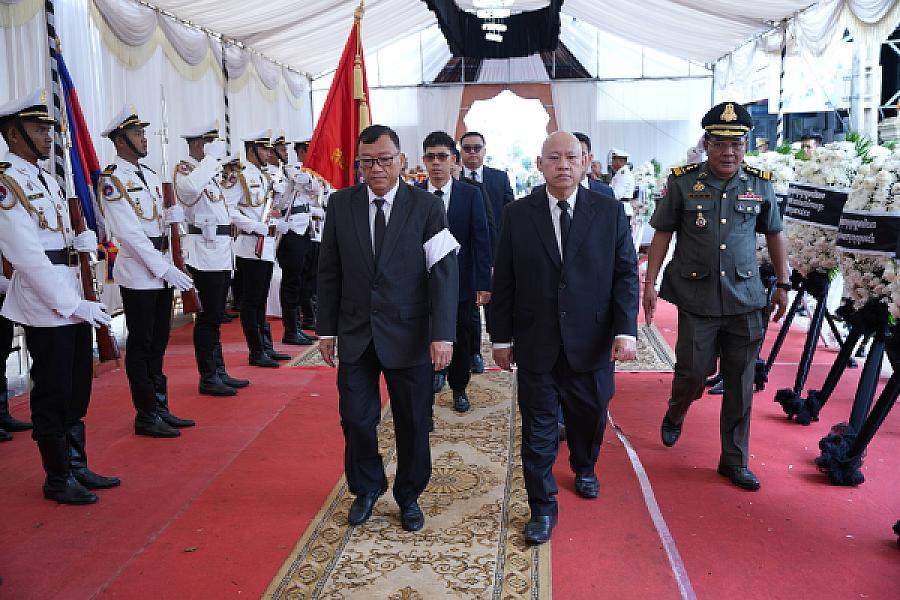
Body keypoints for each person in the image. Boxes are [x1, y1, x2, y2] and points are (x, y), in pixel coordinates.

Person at [491, 132, 639, 545]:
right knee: (537, 431)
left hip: (592, 342)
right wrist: (500, 338)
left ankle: (584, 464)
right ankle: (541, 507)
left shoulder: (608, 212)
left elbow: (626, 273)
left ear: (586, 160)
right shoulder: (516, 215)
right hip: (536, 343)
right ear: (539, 164)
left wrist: (625, 330)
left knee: (589, 416)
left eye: (571, 157)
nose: (563, 165)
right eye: (553, 158)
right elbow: (503, 280)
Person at [317, 124, 458, 532]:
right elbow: (329, 271)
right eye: (366, 162)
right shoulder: (340, 205)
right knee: (356, 419)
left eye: (383, 159)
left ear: (401, 160)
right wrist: (326, 330)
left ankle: (409, 495)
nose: (375, 168)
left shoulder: (426, 207)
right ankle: (366, 487)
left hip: (410, 335)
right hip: (357, 335)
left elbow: (443, 272)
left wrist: (442, 334)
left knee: (413, 421)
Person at [643, 101, 789, 491]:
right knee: (693, 372)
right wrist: (650, 283)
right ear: (706, 144)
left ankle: (733, 460)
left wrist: (783, 284)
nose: (729, 152)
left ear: (746, 146)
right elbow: (662, 232)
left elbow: (774, 233)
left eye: (737, 144)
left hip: (745, 298)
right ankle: (677, 411)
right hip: (698, 297)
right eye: (720, 143)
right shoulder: (683, 183)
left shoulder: (760, 185)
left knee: (741, 384)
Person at [0, 89, 119, 503]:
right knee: (52, 390)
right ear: (14, 135)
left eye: (49, 128)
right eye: (38, 128)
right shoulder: (7, 182)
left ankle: (77, 464)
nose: (48, 136)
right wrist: (71, 303)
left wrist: (80, 241)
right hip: (46, 303)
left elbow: (57, 238)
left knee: (77, 386)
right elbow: (26, 256)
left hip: (71, 293)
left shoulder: (48, 178)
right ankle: (57, 476)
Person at [99, 106, 196, 438]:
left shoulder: (151, 174)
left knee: (159, 342)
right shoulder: (112, 178)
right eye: (138, 134)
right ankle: (145, 414)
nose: (144, 139)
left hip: (162, 264)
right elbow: (128, 234)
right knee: (141, 344)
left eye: (143, 133)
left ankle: (160, 406)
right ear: (121, 140)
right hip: (140, 271)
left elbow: (154, 220)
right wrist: (164, 269)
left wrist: (171, 218)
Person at [174, 121, 250, 396]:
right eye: (207, 145)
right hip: (203, 252)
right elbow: (189, 192)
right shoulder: (187, 172)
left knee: (217, 316)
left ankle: (218, 370)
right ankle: (208, 376)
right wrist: (208, 165)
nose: (212, 152)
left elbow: (224, 206)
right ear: (197, 145)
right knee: (207, 318)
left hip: (220, 250)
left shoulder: (207, 173)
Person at [418, 131, 491, 412]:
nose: (436, 163)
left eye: (442, 157)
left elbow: (481, 239)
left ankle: (459, 387)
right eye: (430, 157)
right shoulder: (413, 196)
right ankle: (432, 378)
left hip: (460, 283)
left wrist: (483, 282)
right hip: (421, 285)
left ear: (454, 161)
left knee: (459, 337)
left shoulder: (470, 195)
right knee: (424, 336)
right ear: (424, 160)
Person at [222, 130, 290, 368]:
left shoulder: (265, 177)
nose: (266, 154)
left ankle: (266, 346)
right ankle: (255, 350)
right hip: (250, 246)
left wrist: (274, 219)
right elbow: (227, 210)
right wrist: (255, 226)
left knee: (261, 299)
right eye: (262, 150)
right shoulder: (239, 176)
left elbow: (269, 208)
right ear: (252, 150)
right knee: (251, 302)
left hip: (266, 245)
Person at [459, 131, 514, 374]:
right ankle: (473, 353)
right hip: (466, 254)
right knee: (469, 309)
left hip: (497, 251)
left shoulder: (499, 178)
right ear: (460, 152)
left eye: (476, 148)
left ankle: (498, 342)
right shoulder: (454, 178)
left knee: (494, 302)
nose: (472, 153)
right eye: (467, 148)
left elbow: (510, 214)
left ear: (484, 150)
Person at [272, 133, 318, 345]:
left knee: (304, 278)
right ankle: (291, 328)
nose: (284, 153)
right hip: (289, 230)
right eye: (280, 150)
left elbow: (315, 190)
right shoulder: (277, 174)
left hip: (305, 229)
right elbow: (279, 201)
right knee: (291, 280)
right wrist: (294, 182)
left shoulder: (298, 170)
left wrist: (306, 179)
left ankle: (301, 322)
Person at [0, 266, 32, 439]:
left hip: (3, 300)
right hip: (6, 290)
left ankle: (2, 415)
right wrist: (15, 285)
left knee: (2, 356)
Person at [573, 133, 614, 199]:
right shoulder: (553, 191)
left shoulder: (605, 192)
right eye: (571, 155)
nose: (577, 160)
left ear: (590, 158)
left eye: (581, 154)